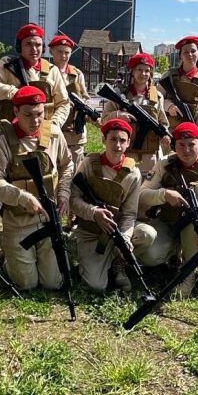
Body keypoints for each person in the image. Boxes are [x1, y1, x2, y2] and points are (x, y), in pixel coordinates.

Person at [0, 85, 73, 291]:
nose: (35, 121)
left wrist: (64, 192)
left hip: (48, 218)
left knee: (53, 283)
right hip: (18, 220)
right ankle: (8, 256)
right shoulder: (2, 140)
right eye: (28, 115)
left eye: (40, 114)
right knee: (26, 284)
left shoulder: (54, 133)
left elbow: (67, 164)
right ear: (15, 112)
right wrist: (23, 198)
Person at [133, 121, 198, 296]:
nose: (186, 150)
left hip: (195, 227)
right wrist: (164, 194)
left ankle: (187, 276)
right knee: (151, 257)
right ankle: (172, 254)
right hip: (168, 221)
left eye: (192, 144)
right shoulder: (164, 164)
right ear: (174, 145)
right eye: (181, 145)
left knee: (194, 220)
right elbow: (142, 193)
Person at [70, 118, 141, 293]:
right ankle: (83, 255)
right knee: (96, 285)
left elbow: (129, 214)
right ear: (103, 140)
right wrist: (94, 212)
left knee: (146, 235)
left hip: (114, 232)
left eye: (122, 140)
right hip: (89, 232)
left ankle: (118, 262)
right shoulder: (88, 164)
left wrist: (124, 238)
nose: (117, 145)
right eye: (113, 139)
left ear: (128, 143)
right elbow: (73, 199)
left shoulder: (133, 174)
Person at [0, 23, 70, 128]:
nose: (34, 49)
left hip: (44, 130)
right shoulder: (7, 65)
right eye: (28, 44)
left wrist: (54, 124)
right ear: (19, 47)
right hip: (13, 130)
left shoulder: (52, 70)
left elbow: (63, 103)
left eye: (38, 45)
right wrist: (14, 92)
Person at [101, 52, 171, 179]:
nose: (143, 74)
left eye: (147, 70)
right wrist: (118, 115)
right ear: (132, 71)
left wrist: (164, 135)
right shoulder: (119, 95)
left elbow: (163, 122)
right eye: (139, 69)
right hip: (125, 154)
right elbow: (103, 120)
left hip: (150, 157)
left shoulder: (157, 96)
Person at [157, 35, 198, 141]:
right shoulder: (168, 76)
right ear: (180, 55)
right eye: (185, 52)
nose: (190, 55)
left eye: (193, 51)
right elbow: (156, 99)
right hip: (169, 131)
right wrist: (169, 106)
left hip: (193, 133)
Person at [48, 33, 94, 164]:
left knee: (74, 167)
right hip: (53, 125)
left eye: (67, 52)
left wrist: (84, 104)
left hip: (74, 132)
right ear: (51, 51)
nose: (63, 56)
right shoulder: (46, 72)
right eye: (60, 52)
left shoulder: (76, 73)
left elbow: (85, 96)